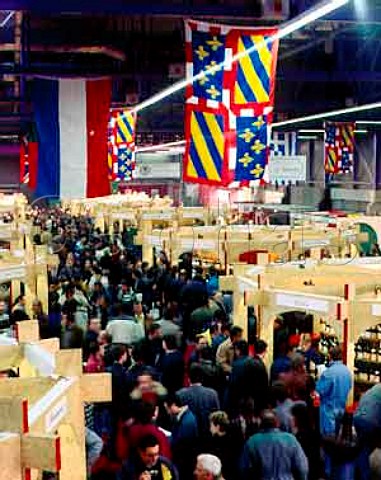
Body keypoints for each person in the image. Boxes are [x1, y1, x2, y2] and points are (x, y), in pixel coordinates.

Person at [240, 410, 308, 480]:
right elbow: (302, 468)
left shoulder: (252, 441)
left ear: (261, 424)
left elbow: (243, 469)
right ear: (277, 423)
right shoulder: (290, 439)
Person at [316, 345, 352, 437]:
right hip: (341, 409)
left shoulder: (328, 373)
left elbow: (320, 390)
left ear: (330, 356)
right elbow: (349, 387)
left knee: (328, 441)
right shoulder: (347, 371)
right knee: (337, 438)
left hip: (328, 410)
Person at [177, 364, 220, 436]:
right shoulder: (213, 394)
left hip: (187, 438)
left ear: (188, 378)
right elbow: (217, 417)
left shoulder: (180, 394)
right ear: (202, 378)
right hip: (208, 437)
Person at [165, 393, 199, 480]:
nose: (167, 412)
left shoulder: (186, 422)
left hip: (184, 465)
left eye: (167, 409)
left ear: (173, 405)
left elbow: (179, 444)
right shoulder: (185, 416)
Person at [291, 402, 322, 480]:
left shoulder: (300, 437)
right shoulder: (314, 433)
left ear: (298, 418)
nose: (292, 419)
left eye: (293, 417)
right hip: (314, 472)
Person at [204, 411, 237, 480]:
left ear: (217, 426)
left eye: (211, 425)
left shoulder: (214, 444)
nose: (210, 428)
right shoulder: (234, 440)